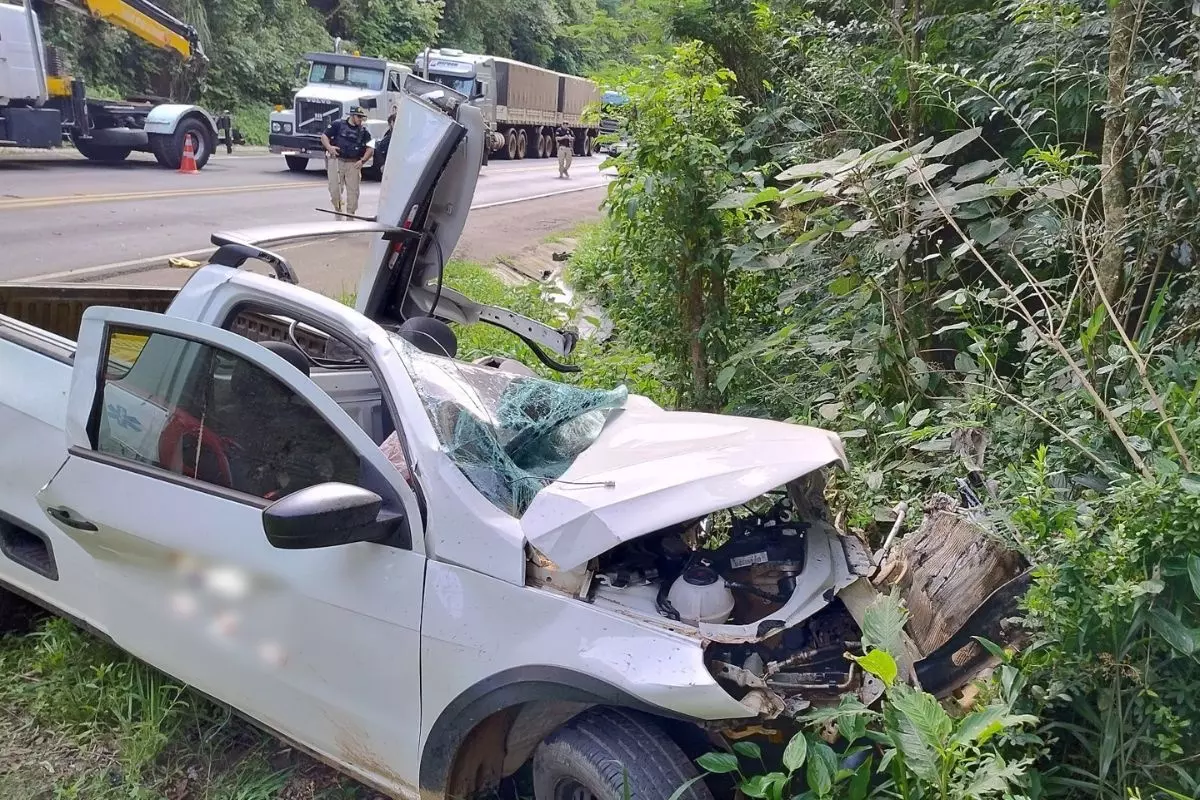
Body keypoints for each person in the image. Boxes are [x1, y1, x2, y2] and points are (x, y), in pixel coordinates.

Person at [321, 106, 374, 216]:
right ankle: (338, 210)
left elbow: (371, 147)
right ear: (352, 115)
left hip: (353, 163)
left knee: (353, 193)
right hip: (337, 161)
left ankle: (350, 215)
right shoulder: (338, 124)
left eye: (362, 117)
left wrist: (363, 161)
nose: (360, 119)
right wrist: (330, 148)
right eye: (359, 117)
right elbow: (324, 136)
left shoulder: (364, 131)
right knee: (335, 190)